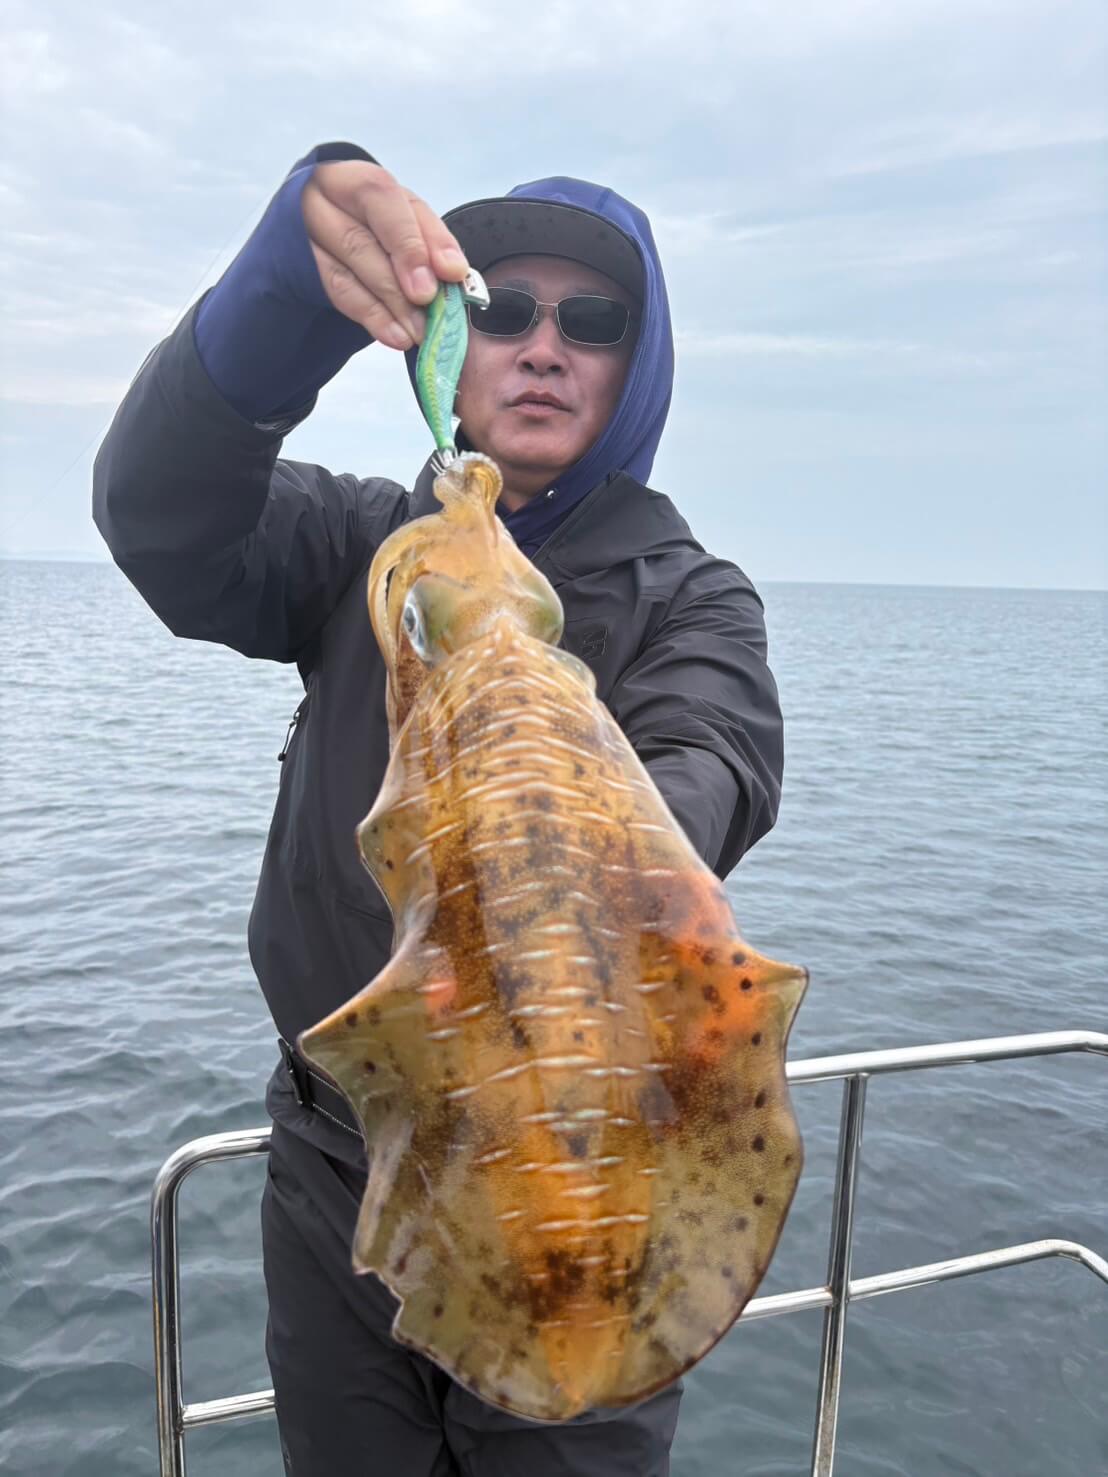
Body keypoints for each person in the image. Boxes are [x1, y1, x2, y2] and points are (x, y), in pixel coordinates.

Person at [93, 142, 785, 1477]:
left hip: (588, 1174)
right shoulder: (363, 548)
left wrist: (550, 781)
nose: (544, 347)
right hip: (337, 1169)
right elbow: (163, 519)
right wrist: (278, 302)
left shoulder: (691, 596)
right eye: (501, 310)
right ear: (448, 354)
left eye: (594, 321)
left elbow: (717, 762)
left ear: (636, 366)